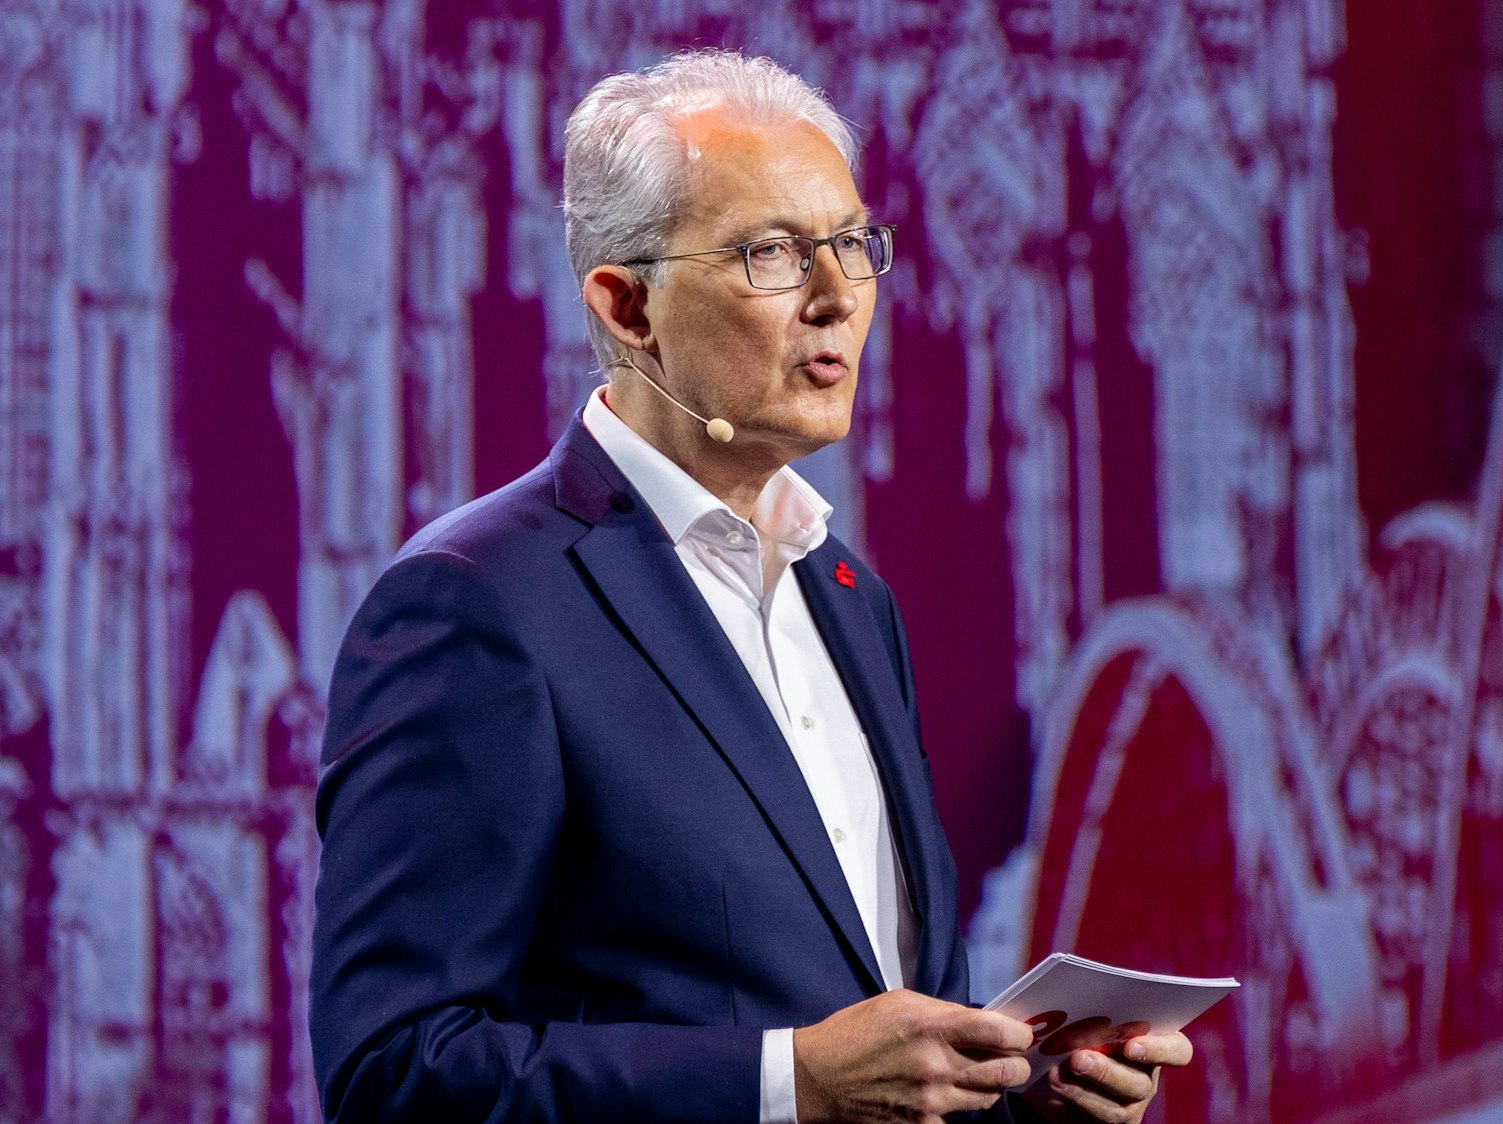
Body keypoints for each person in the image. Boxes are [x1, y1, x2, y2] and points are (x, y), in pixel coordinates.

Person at [308, 50, 1192, 1123]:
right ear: (628, 307)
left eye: (854, 245)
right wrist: (791, 1081)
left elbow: (884, 1040)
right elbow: (394, 1074)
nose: (836, 298)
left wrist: (1018, 1097)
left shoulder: (850, 595)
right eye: (771, 252)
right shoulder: (476, 603)